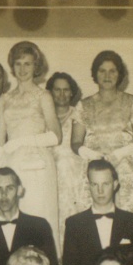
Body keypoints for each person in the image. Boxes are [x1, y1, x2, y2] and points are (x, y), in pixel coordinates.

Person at [0, 41, 62, 250]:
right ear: (12, 66)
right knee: (13, 217)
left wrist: (21, 142)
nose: (22, 69)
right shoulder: (5, 98)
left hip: (37, 165)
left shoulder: (43, 96)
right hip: (11, 162)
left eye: (27, 64)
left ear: (36, 66)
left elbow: (55, 136)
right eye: (18, 63)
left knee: (38, 215)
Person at [72, 50, 133, 217]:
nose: (107, 75)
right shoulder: (83, 105)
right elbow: (75, 142)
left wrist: (123, 152)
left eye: (112, 70)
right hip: (95, 167)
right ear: (95, 74)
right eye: (102, 70)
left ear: (119, 74)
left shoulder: (132, 101)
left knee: (126, 218)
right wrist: (90, 153)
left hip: (125, 167)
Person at [46, 72, 90, 251]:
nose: (62, 95)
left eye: (66, 90)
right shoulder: (43, 117)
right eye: (57, 90)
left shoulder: (80, 115)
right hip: (49, 180)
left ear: (72, 93)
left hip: (75, 182)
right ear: (50, 92)